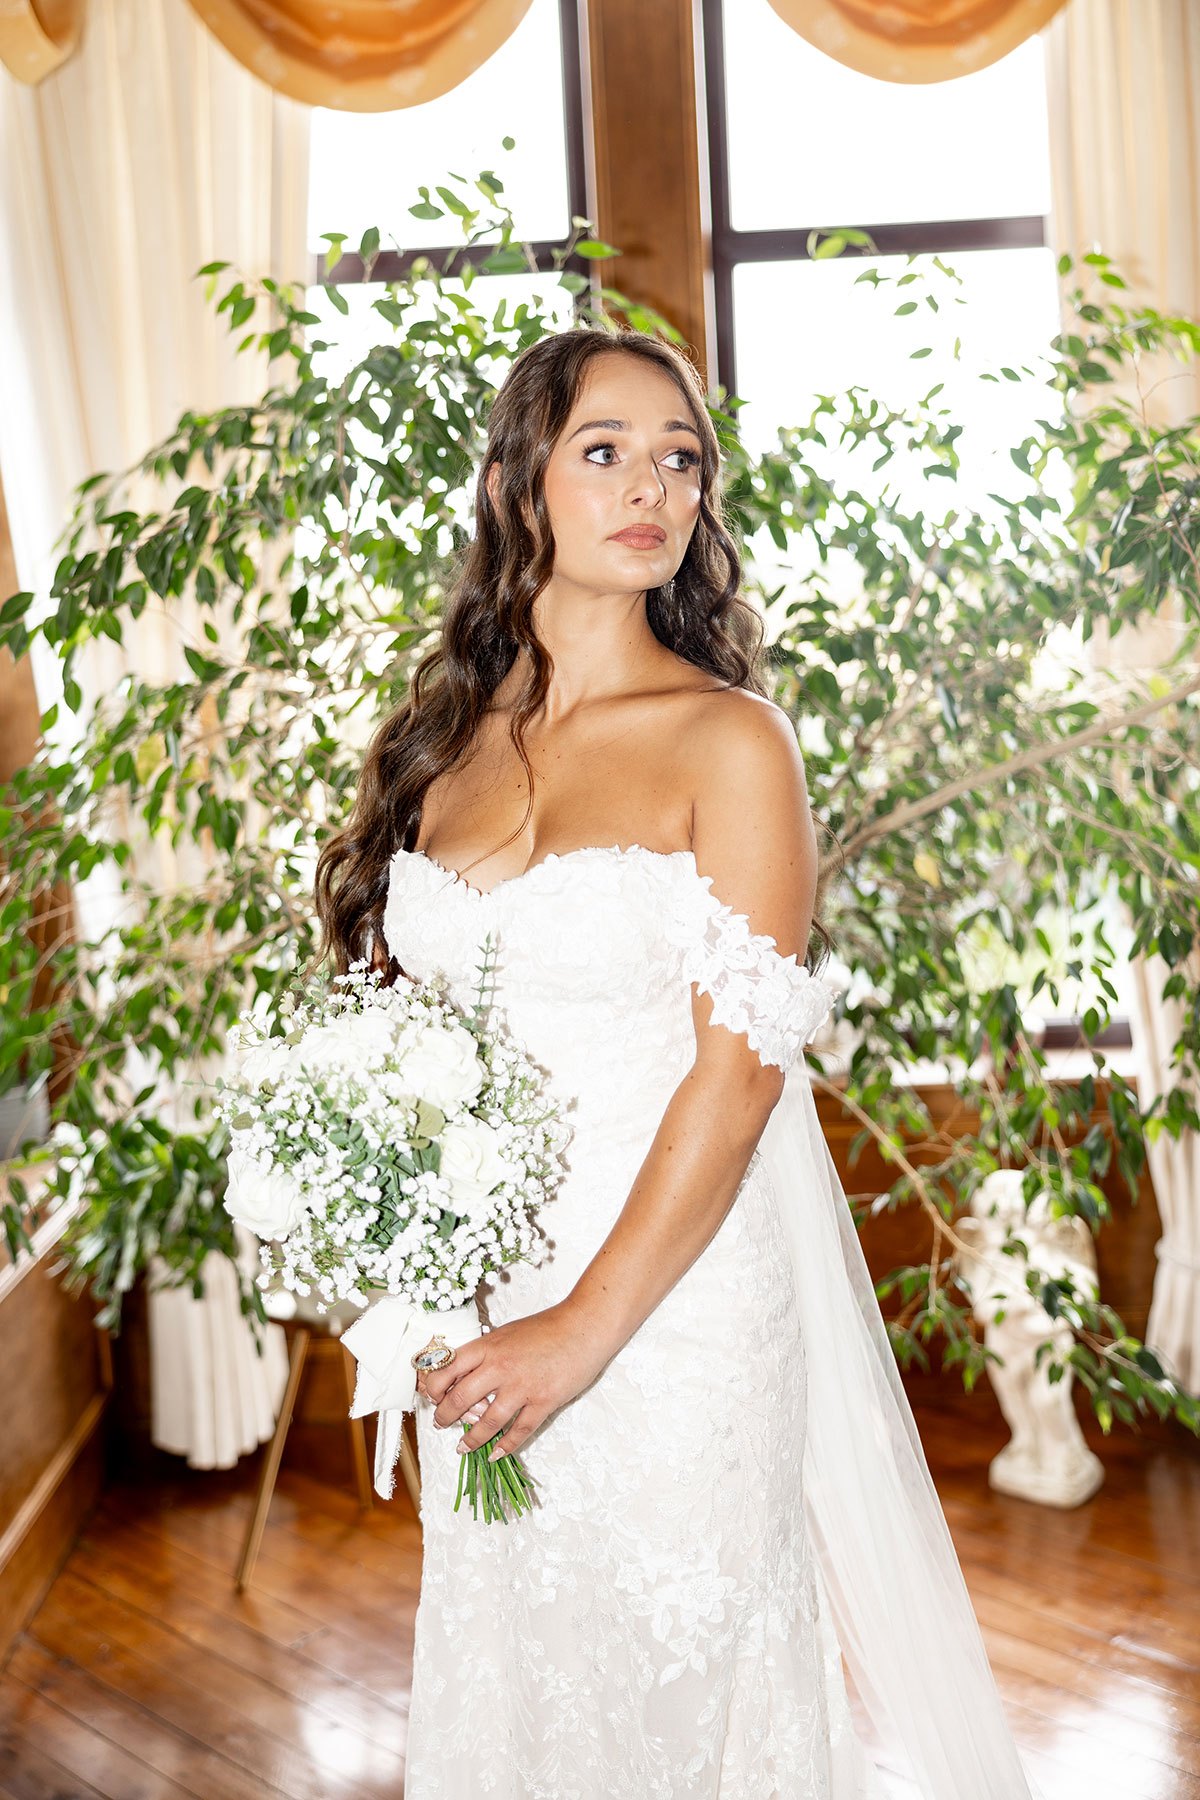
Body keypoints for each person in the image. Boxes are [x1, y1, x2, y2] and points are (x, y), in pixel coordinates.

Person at [314, 326, 1037, 1799]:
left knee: (681, 1705)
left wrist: (580, 1330)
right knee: (519, 1694)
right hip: (480, 1316)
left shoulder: (731, 743)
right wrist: (395, 1249)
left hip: (675, 1313)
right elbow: (403, 1052)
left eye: (680, 458)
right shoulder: (441, 748)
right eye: (605, 451)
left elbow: (739, 1079)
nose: (652, 486)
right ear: (521, 484)